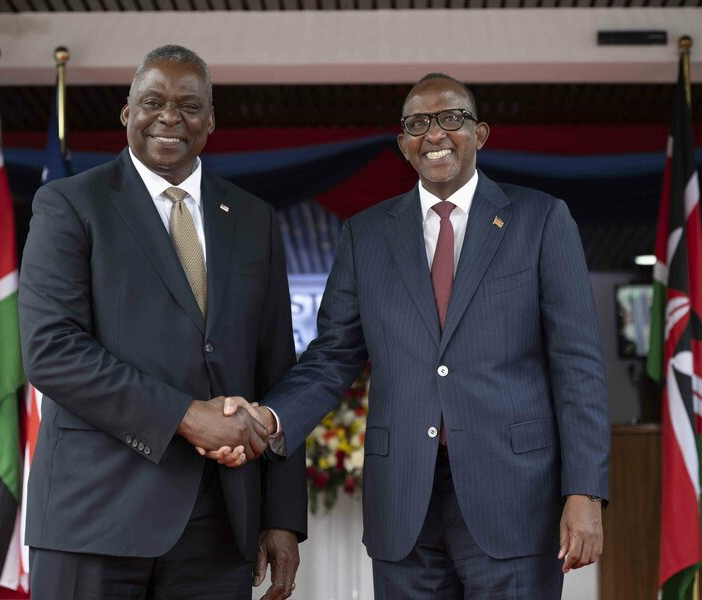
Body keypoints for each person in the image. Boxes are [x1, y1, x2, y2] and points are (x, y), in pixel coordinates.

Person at [214, 73, 610, 598]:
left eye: (451, 118)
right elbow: (333, 356)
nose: (435, 133)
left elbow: (577, 364)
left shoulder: (540, 219)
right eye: (418, 124)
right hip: (403, 503)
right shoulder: (365, 234)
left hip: (515, 497)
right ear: (403, 144)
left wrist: (585, 491)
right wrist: (271, 417)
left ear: (480, 133)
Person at [18, 45, 306, 600]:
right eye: (153, 102)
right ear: (128, 113)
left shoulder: (253, 219)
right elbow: (52, 350)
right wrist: (186, 417)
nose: (170, 117)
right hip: (94, 516)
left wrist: (282, 516)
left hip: (220, 526)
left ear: (210, 120)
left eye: (189, 106)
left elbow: (276, 369)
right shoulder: (69, 204)